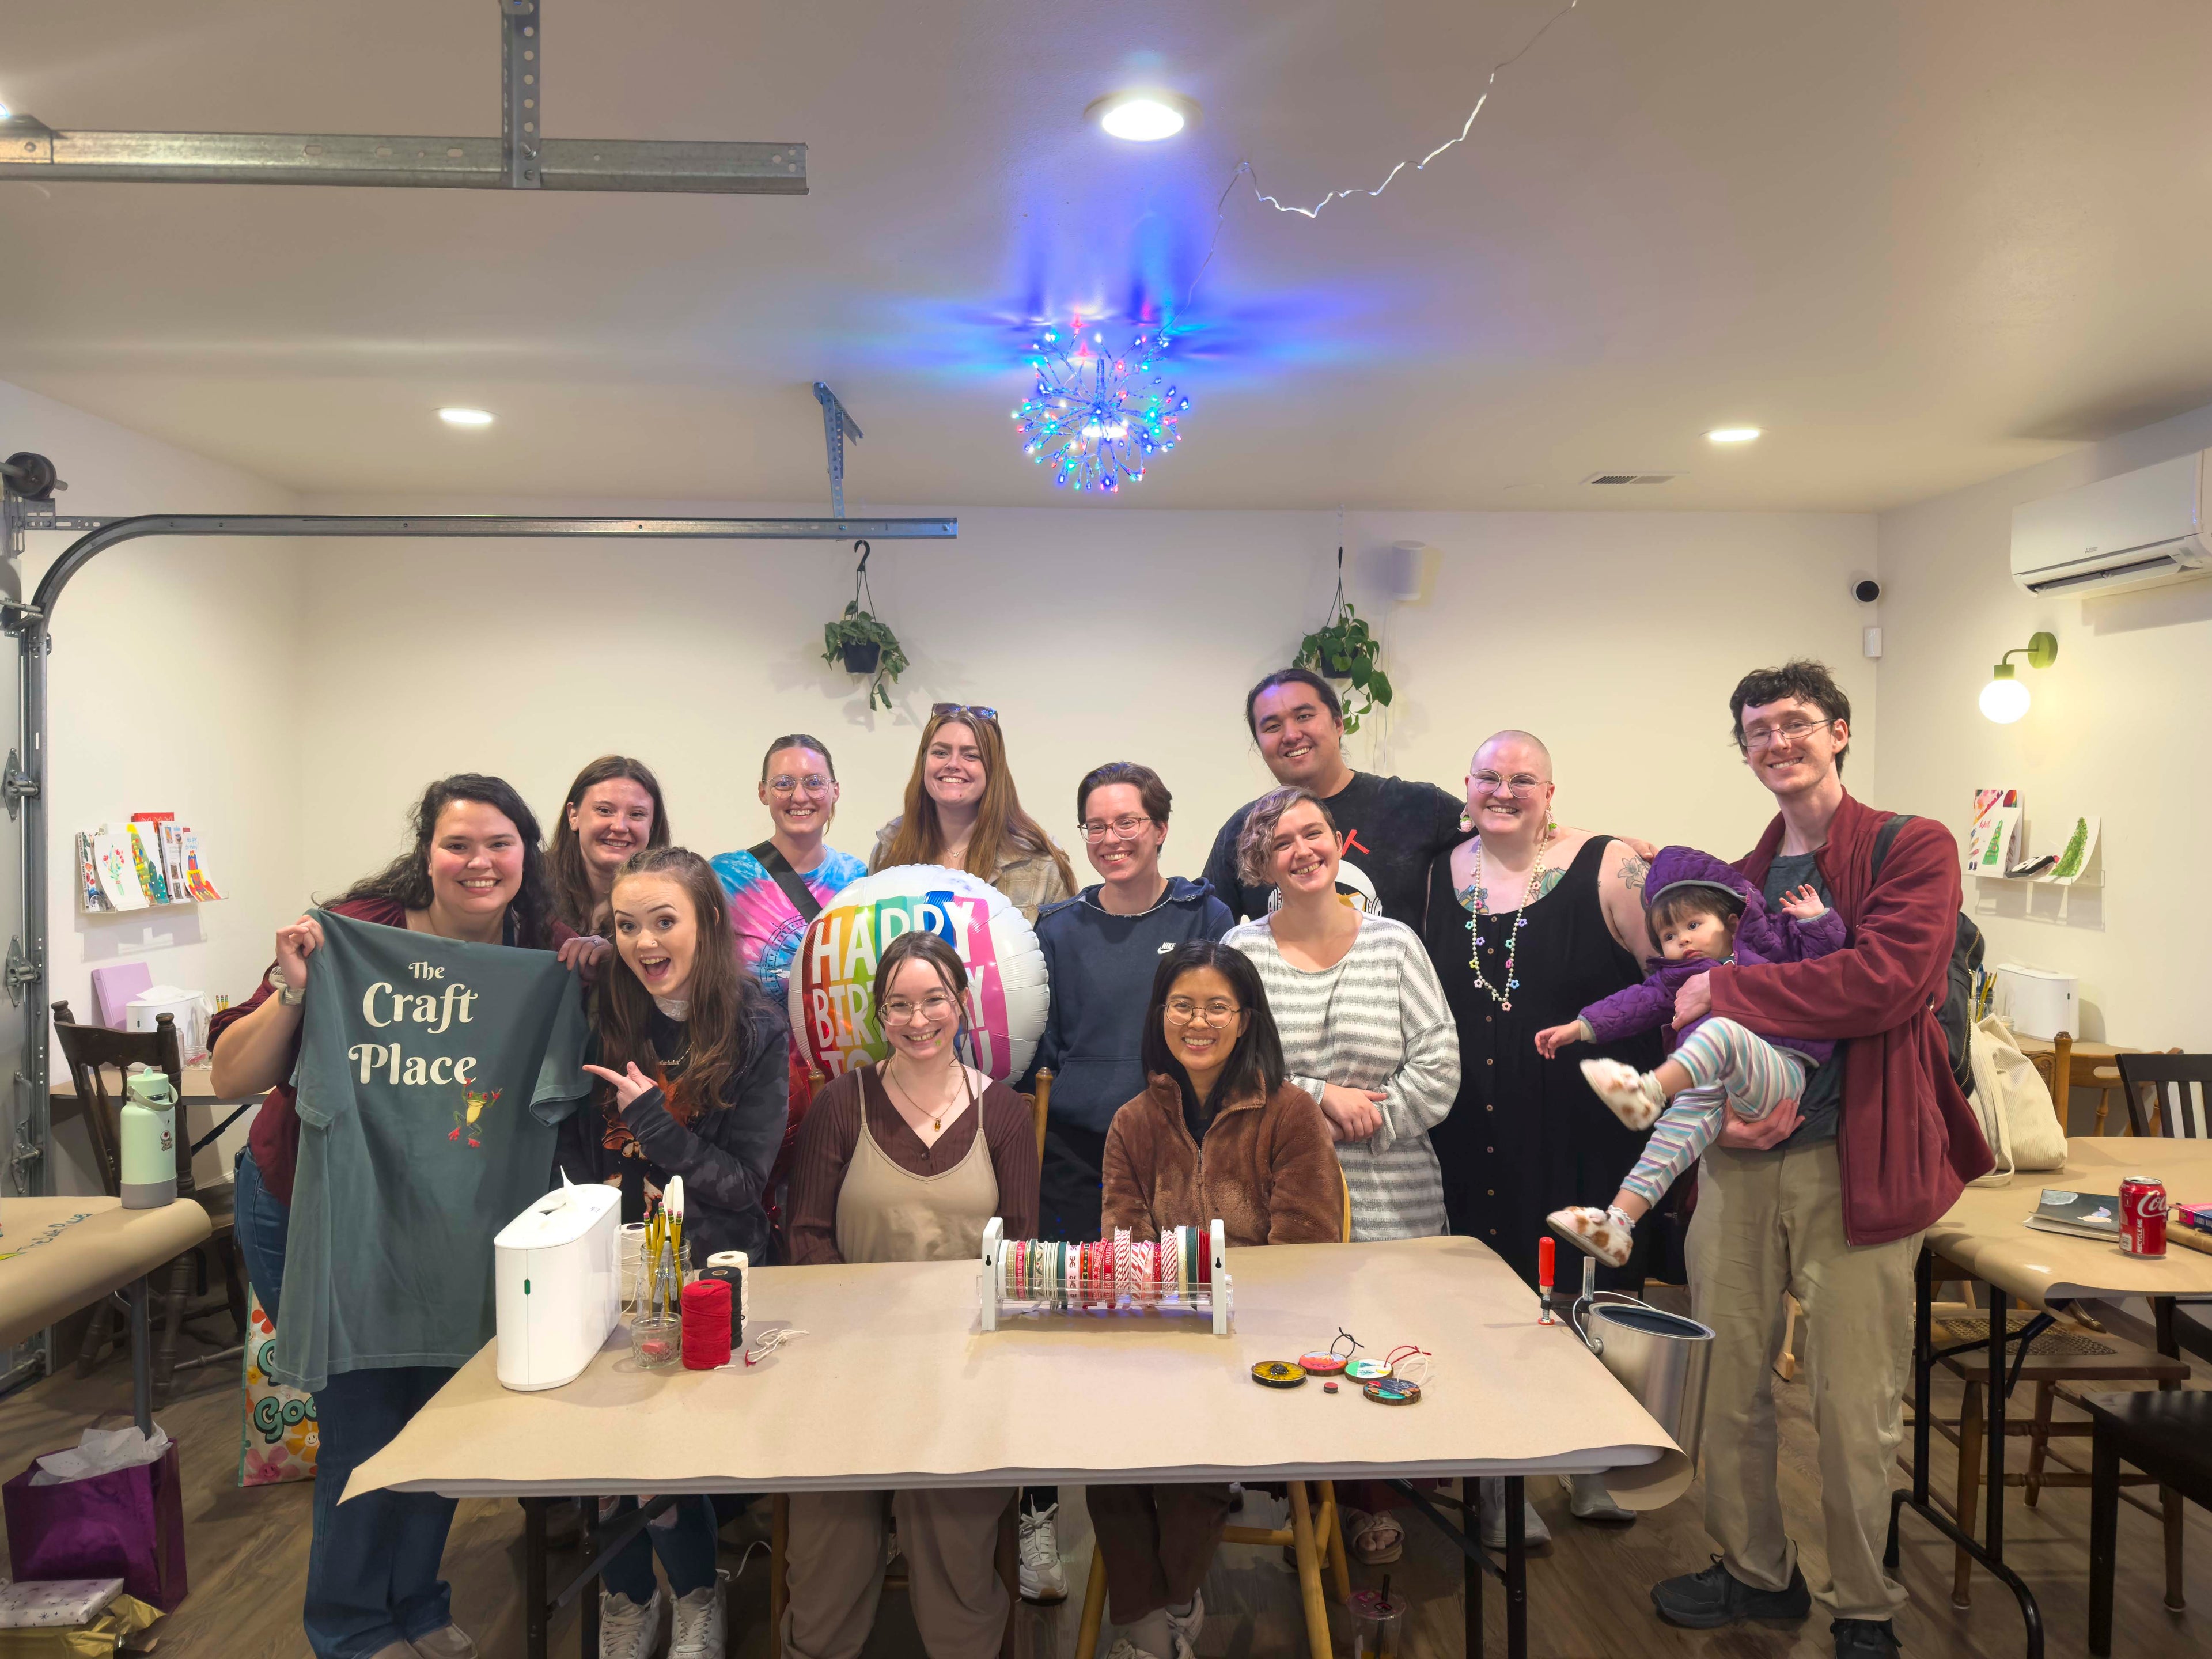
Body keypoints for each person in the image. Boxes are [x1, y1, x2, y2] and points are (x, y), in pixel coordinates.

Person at [1645, 661, 1990, 1659]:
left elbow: (1888, 981)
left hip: (1860, 1161)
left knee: (1853, 1403)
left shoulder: (1910, 847)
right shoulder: (1738, 879)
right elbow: (1683, 1005)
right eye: (1758, 730)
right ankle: (1757, 1571)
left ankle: (1865, 1606)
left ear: (1839, 731)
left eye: (1796, 722)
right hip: (1742, 1163)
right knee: (1726, 1381)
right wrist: (1717, 1110)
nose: (1777, 742)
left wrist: (1729, 994)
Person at [210, 775, 599, 1659]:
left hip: (457, 1226)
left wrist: (591, 968)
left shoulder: (541, 953)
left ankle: (416, 1603)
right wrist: (296, 989)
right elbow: (231, 1076)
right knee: (365, 1428)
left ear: (527, 855)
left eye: (498, 844)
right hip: (321, 1208)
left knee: (445, 1421)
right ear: (427, 853)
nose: (478, 862)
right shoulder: (354, 934)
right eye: (458, 844)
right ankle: (349, 1627)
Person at [1416, 729, 1660, 1539]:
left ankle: (1593, 1457)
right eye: (1488, 776)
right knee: (1491, 1299)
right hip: (1474, 1125)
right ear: (1466, 786)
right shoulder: (1437, 873)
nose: (1504, 791)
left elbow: (1674, 980)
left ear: (1550, 793)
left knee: (1589, 1290)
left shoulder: (1611, 864)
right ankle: (1502, 1480)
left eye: (1524, 779)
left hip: (1587, 1127)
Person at [1010, 762, 1234, 1605]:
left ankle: (1180, 1533)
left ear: (1160, 828)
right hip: (1076, 1158)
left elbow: (1225, 1023)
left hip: (1182, 1154)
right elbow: (1040, 1044)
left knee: (1172, 1342)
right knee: (1066, 1338)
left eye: (1127, 822)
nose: (1111, 839)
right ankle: (1045, 1515)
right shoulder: (1058, 927)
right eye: (1096, 825)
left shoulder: (1206, 915)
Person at [781, 931, 1040, 1658]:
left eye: (934, 1000)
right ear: (879, 1015)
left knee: (952, 1536)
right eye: (899, 1005)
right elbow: (806, 1239)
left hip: (964, 1371)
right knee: (828, 1541)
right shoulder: (843, 1104)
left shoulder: (1004, 1114)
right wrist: (867, 1346)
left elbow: (1018, 1257)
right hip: (847, 1367)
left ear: (963, 1004)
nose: (917, 1019)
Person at [559, 847, 789, 1659]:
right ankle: (628, 1600)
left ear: (710, 922)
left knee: (665, 1458)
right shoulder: (603, 1011)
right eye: (627, 926)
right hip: (605, 1271)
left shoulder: (757, 1026)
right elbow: (574, 1148)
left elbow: (743, 1184)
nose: (645, 942)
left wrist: (654, 1123)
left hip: (705, 1275)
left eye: (664, 921)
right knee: (603, 1456)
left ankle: (695, 1594)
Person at [1222, 785, 1457, 1565]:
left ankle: (1372, 1503)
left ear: (1337, 840)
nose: (1303, 850)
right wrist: (1320, 1101)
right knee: (1300, 1345)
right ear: (1262, 863)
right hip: (1279, 1191)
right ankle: (1308, 1502)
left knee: (1383, 1352)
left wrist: (1371, 1118)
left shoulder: (1395, 944)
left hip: (1394, 1189)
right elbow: (1229, 1067)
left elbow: (1440, 1063)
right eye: (1282, 842)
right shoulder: (1241, 952)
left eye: (1314, 832)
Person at [1090, 941, 1341, 1659]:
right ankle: (1154, 1626)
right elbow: (1125, 1255)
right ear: (1160, 1015)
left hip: (1263, 1346)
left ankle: (1166, 1609)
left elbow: (1304, 1256)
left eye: (1217, 1008)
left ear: (1245, 1019)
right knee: (1102, 1461)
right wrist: (1173, 1327)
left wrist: (1213, 1318)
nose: (1198, 1022)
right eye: (1182, 1006)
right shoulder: (1133, 1122)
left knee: (1190, 1464)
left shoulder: (1290, 1114)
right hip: (1160, 1344)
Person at [1533, 846, 1846, 1267]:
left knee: (1721, 1031)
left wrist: (1817, 920)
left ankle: (1650, 1091)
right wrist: (1579, 1027)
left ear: (1731, 922)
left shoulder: (1767, 946)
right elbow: (1634, 1004)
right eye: (1668, 936)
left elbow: (1825, 963)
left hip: (1779, 1071)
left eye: (1694, 925)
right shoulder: (1676, 979)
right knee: (1670, 1134)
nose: (1682, 940)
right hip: (1714, 1087)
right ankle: (1619, 1223)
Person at [710, 734, 868, 1212]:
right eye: (783, 783)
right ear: (763, 792)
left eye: (814, 782)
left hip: (838, 1090)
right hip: (753, 1088)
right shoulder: (726, 877)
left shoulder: (860, 879)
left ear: (835, 791)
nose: (800, 796)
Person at [1200, 669, 1462, 926]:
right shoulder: (1242, 831)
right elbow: (1204, 935)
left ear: (1338, 723)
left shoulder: (1417, 805)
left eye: (1304, 716)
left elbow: (1484, 859)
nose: (1291, 735)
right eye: (1273, 726)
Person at [869, 704, 1074, 920]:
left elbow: (1064, 941)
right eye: (940, 753)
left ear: (993, 769)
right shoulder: (891, 848)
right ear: (923, 762)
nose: (953, 764)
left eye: (970, 755)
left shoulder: (1040, 861)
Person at [548, 756, 669, 935]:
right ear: (574, 816)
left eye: (636, 814)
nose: (619, 827)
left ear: (652, 825)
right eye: (604, 811)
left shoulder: (673, 900)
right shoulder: (529, 884)